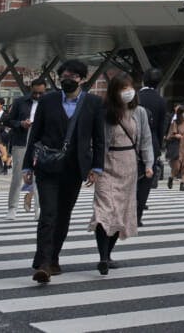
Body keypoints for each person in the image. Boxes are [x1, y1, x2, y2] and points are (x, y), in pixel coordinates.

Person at [22, 59, 107, 284]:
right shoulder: (48, 100)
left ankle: (54, 257)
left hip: (74, 168)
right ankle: (43, 263)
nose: (67, 80)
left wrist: (96, 167)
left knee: (63, 215)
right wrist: (27, 166)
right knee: (48, 214)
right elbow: (35, 133)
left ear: (83, 78)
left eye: (73, 76)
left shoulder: (93, 103)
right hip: (47, 166)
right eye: (64, 76)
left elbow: (100, 139)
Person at [89, 74, 152, 275]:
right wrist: (93, 167)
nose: (127, 92)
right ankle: (102, 257)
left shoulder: (139, 112)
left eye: (130, 87)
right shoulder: (105, 113)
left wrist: (149, 163)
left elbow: (146, 140)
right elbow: (98, 142)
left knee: (121, 212)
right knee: (104, 210)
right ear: (114, 92)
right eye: (122, 88)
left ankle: (108, 254)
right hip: (106, 165)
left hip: (129, 166)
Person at [4, 79, 47, 219]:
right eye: (35, 93)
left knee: (40, 177)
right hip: (22, 140)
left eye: (41, 93)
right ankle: (12, 208)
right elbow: (8, 120)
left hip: (41, 143)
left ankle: (38, 209)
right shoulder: (20, 102)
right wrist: (21, 123)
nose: (38, 96)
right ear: (31, 89)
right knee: (17, 176)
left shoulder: (49, 103)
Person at [136, 68, 168, 223]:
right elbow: (162, 127)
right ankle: (138, 215)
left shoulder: (136, 97)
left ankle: (127, 212)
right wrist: (159, 145)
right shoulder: (161, 100)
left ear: (143, 80)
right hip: (153, 143)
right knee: (146, 180)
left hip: (132, 142)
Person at [166, 103, 184, 191]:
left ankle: (182, 184)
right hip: (178, 148)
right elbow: (170, 135)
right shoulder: (175, 122)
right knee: (176, 167)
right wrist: (176, 135)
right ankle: (171, 177)